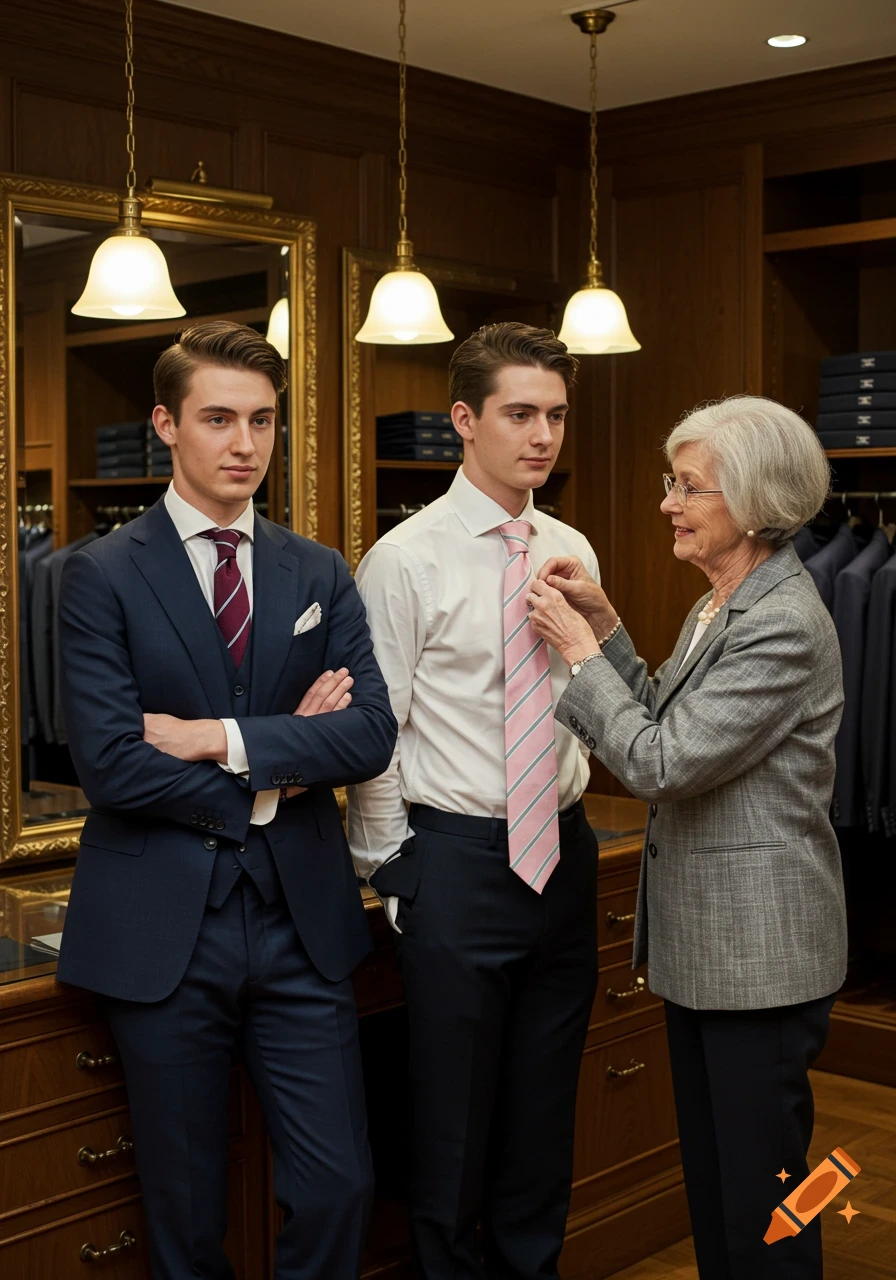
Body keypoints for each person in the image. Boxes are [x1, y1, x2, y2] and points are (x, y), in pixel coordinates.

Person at [57, 321, 397, 1280]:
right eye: (217, 418)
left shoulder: (318, 571)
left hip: (303, 925)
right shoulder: (101, 575)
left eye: (262, 420)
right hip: (163, 930)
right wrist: (291, 757)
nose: (244, 443)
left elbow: (369, 734)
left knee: (339, 1188)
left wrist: (225, 740)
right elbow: (115, 767)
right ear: (166, 424)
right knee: (187, 1212)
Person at [526, 395, 848, 1280]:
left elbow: (662, 762)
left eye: (688, 486)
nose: (667, 501)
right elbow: (668, 710)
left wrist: (580, 659)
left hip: (761, 954)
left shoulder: (781, 618)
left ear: (752, 499)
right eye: (672, 482)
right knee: (718, 1185)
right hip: (713, 947)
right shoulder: (725, 601)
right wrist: (603, 625)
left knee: (768, 1201)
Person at [347, 322, 602, 1280]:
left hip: (561, 856)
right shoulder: (405, 559)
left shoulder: (569, 546)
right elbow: (379, 734)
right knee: (450, 1122)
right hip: (454, 862)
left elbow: (586, 696)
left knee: (542, 1113)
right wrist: (394, 871)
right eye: (521, 413)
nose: (543, 436)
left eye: (557, 416)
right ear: (465, 419)